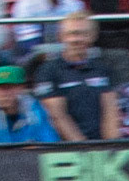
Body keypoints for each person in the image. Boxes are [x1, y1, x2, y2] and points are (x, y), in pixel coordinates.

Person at [33, 9, 118, 139]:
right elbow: (57, 116)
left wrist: (112, 146)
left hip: (102, 148)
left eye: (83, 34)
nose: (76, 39)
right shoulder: (48, 70)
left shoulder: (102, 68)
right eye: (71, 34)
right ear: (60, 36)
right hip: (66, 149)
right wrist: (83, 148)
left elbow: (110, 111)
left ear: (93, 36)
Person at [0, 63, 60, 143]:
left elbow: (49, 142)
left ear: (21, 88)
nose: (3, 93)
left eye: (9, 87)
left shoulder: (33, 107)